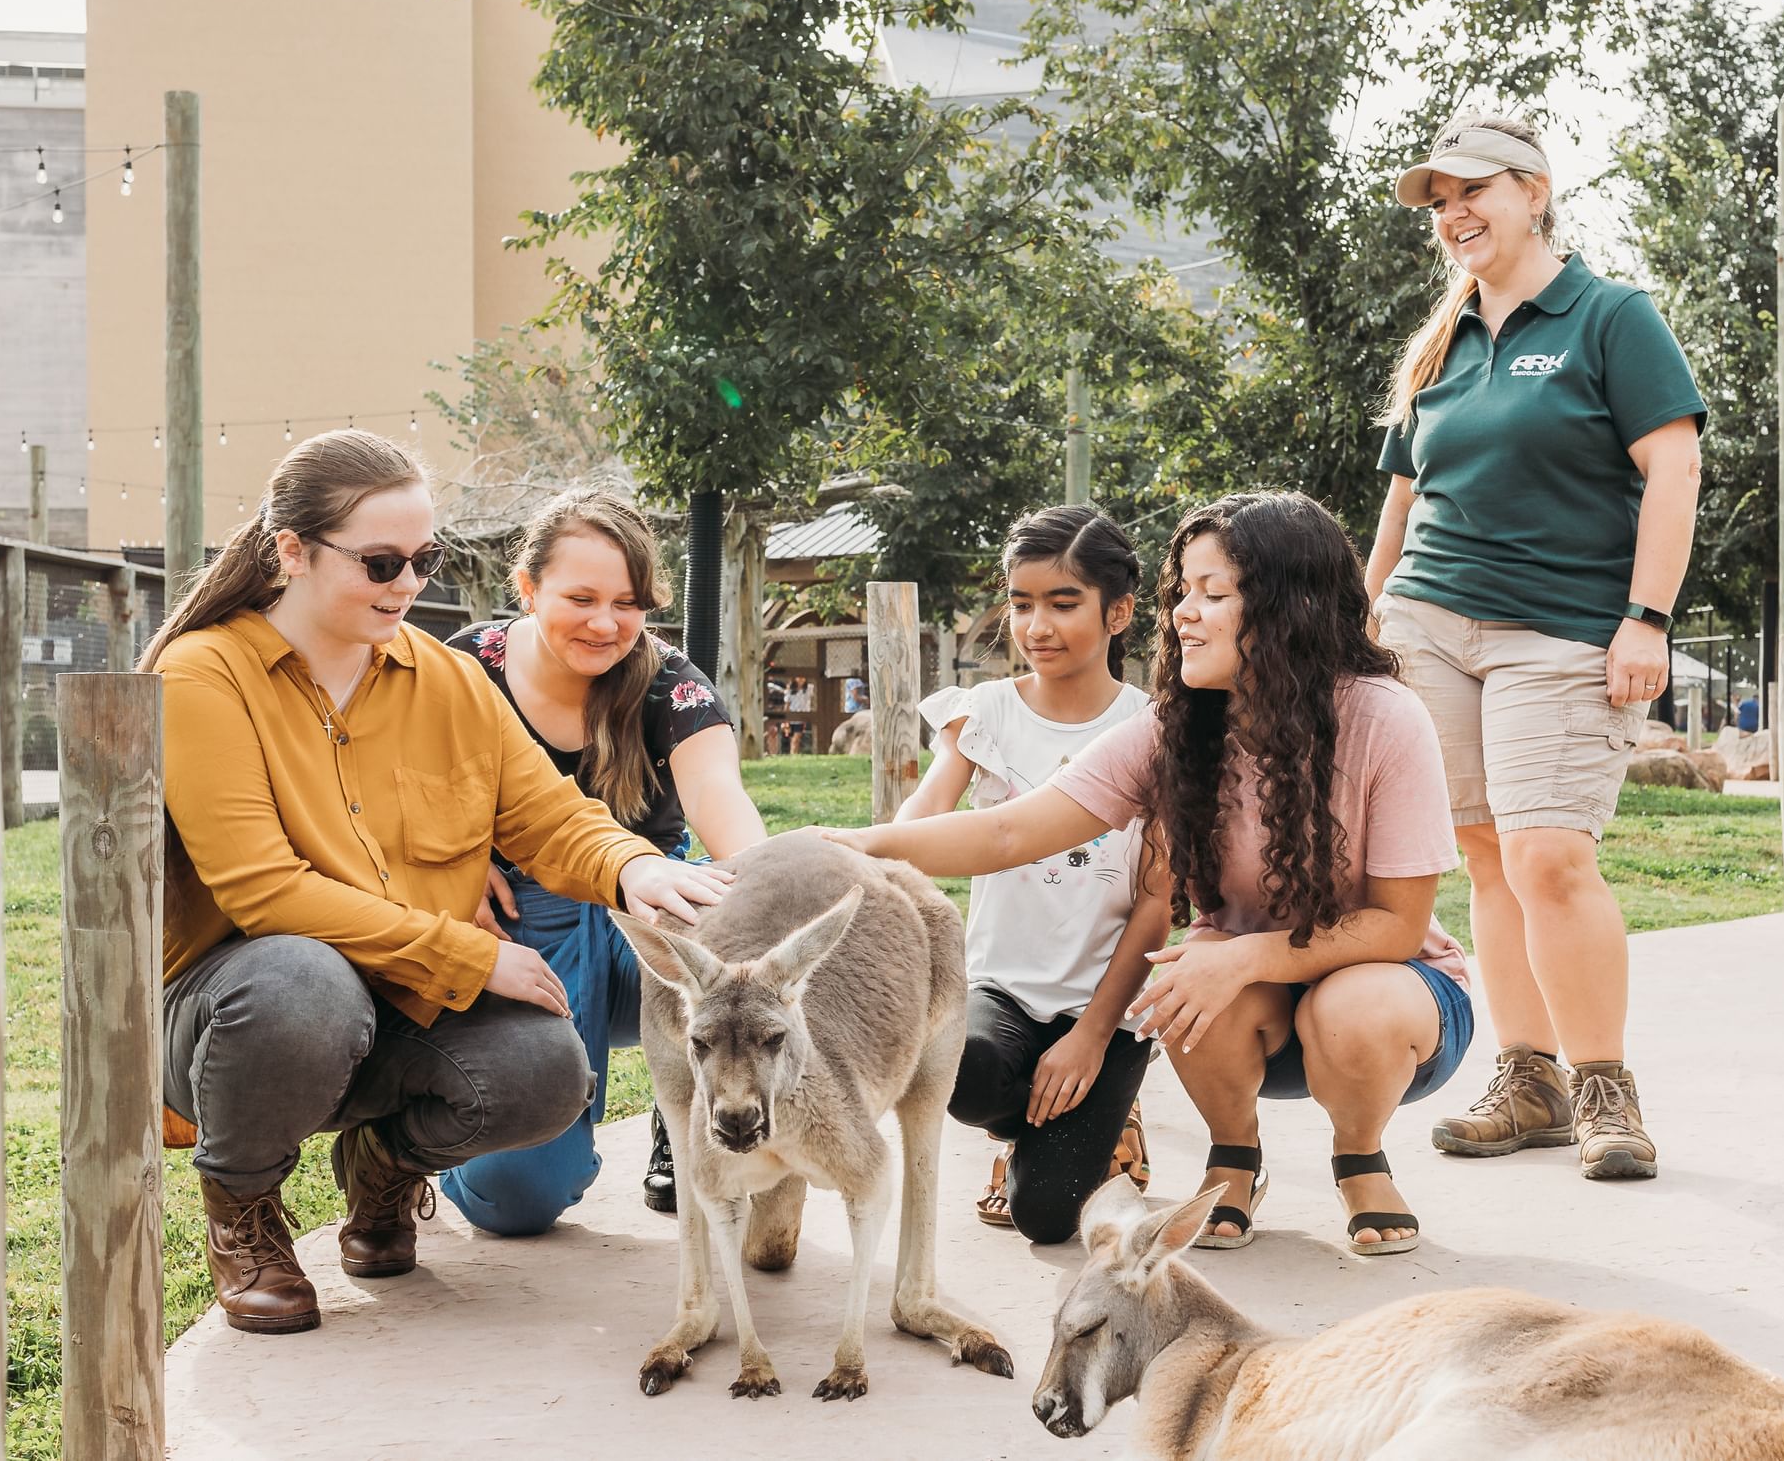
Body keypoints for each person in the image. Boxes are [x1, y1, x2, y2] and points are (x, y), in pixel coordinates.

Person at [149, 431, 727, 1335]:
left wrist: (634, 865)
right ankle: (244, 1211)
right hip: (241, 1014)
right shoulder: (204, 674)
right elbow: (265, 891)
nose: (408, 583)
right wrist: (467, 955)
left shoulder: (448, 678)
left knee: (545, 1068)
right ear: (291, 551)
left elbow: (547, 814)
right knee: (302, 977)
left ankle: (382, 1163)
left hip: (398, 1004)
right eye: (382, 561)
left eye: (426, 558)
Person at [833, 491, 1469, 1256]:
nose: (1183, 614)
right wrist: (840, 845)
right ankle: (1233, 1152)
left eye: (1213, 593)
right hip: (1246, 1000)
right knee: (1186, 971)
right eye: (1180, 593)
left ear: (1288, 603)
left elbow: (1397, 925)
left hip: (1392, 992)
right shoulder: (1177, 723)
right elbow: (1010, 830)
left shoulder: (1385, 716)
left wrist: (1240, 953)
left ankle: (1359, 1155)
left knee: (1343, 998)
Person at [1368, 111, 1705, 1183]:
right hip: (1428, 620)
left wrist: (1644, 616)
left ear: (1534, 189)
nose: (1453, 214)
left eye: (1472, 190)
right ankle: (1528, 1079)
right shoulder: (1440, 344)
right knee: (1479, 853)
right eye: (1437, 201)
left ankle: (1605, 1085)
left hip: (1557, 627)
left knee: (1549, 854)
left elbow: (1674, 471)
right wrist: (1361, 623)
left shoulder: (1610, 316)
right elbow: (1398, 511)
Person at [437, 488, 769, 1233]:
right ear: (527, 589)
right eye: (580, 597)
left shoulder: (671, 684)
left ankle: (687, 1100)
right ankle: (426, 1138)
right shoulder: (461, 668)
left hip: (642, 927)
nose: (605, 622)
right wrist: (444, 871)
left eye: (628, 602)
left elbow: (725, 809)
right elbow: (378, 798)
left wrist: (771, 897)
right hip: (511, 927)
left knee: (721, 915)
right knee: (516, 1199)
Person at [894, 506, 1159, 1244]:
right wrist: (862, 849)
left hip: (1105, 1006)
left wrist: (1095, 1036)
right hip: (1001, 988)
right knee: (961, 1073)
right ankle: (1026, 1127)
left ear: (1120, 611)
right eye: (1021, 603)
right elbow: (922, 818)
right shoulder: (984, 713)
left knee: (1046, 1219)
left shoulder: (1155, 728)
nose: (1037, 625)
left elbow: (1157, 904)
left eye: (1063, 602)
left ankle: (1111, 1112)